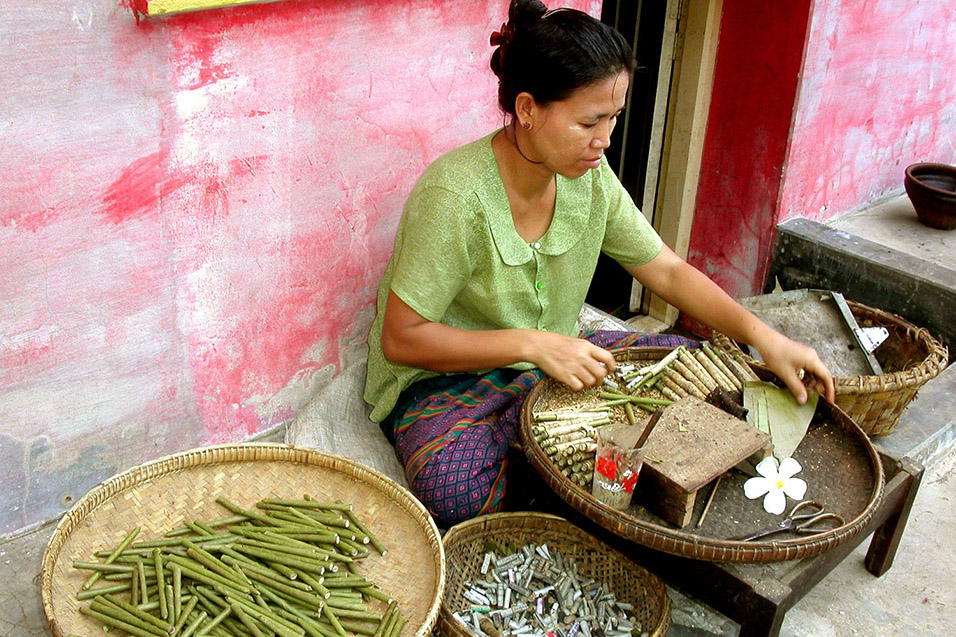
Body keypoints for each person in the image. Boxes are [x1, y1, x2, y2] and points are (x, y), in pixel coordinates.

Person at [364, 0, 835, 528]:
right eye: (590, 120)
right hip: (449, 375)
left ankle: (543, 434)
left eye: (614, 117)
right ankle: (534, 433)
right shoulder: (455, 195)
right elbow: (401, 339)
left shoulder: (590, 175)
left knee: (686, 362)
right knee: (454, 492)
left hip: (551, 355)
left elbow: (665, 270)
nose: (605, 139)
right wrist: (533, 345)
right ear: (527, 109)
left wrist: (765, 337)